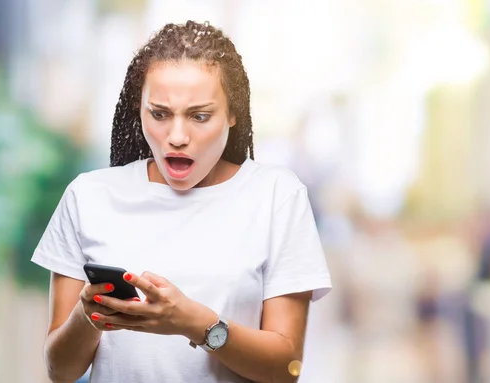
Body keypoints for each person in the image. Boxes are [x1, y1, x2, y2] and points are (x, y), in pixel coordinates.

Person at [31, 20, 332, 383]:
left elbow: (286, 370)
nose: (177, 136)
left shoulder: (276, 197)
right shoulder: (89, 196)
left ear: (233, 114)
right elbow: (59, 372)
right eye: (159, 114)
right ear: (137, 109)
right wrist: (89, 315)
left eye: (200, 116)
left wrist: (194, 323)